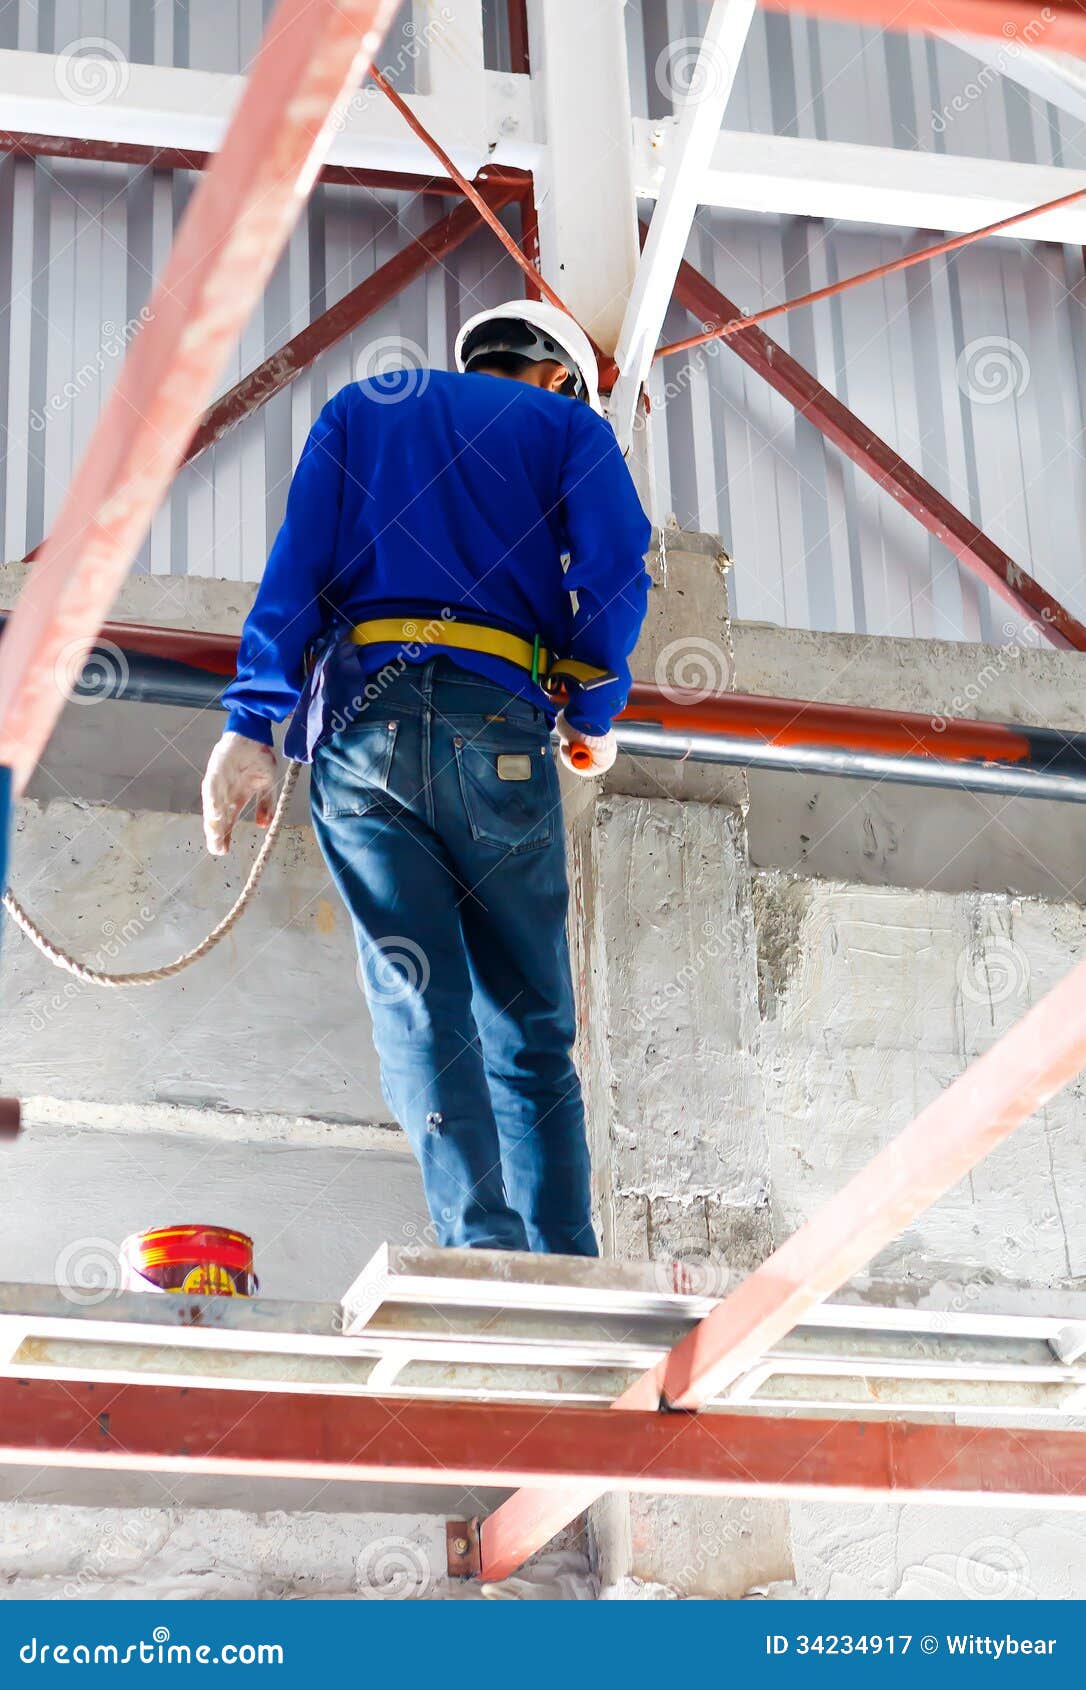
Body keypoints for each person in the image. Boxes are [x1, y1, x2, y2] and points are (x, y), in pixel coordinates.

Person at [201, 299, 651, 1256]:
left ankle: (479, 1245)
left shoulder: (364, 407)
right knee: (527, 1017)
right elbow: (615, 573)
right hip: (499, 730)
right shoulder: (570, 427)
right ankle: (561, 1264)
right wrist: (590, 710)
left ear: (474, 357)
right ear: (561, 375)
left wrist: (249, 725)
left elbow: (295, 573)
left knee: (418, 997)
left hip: (361, 734)